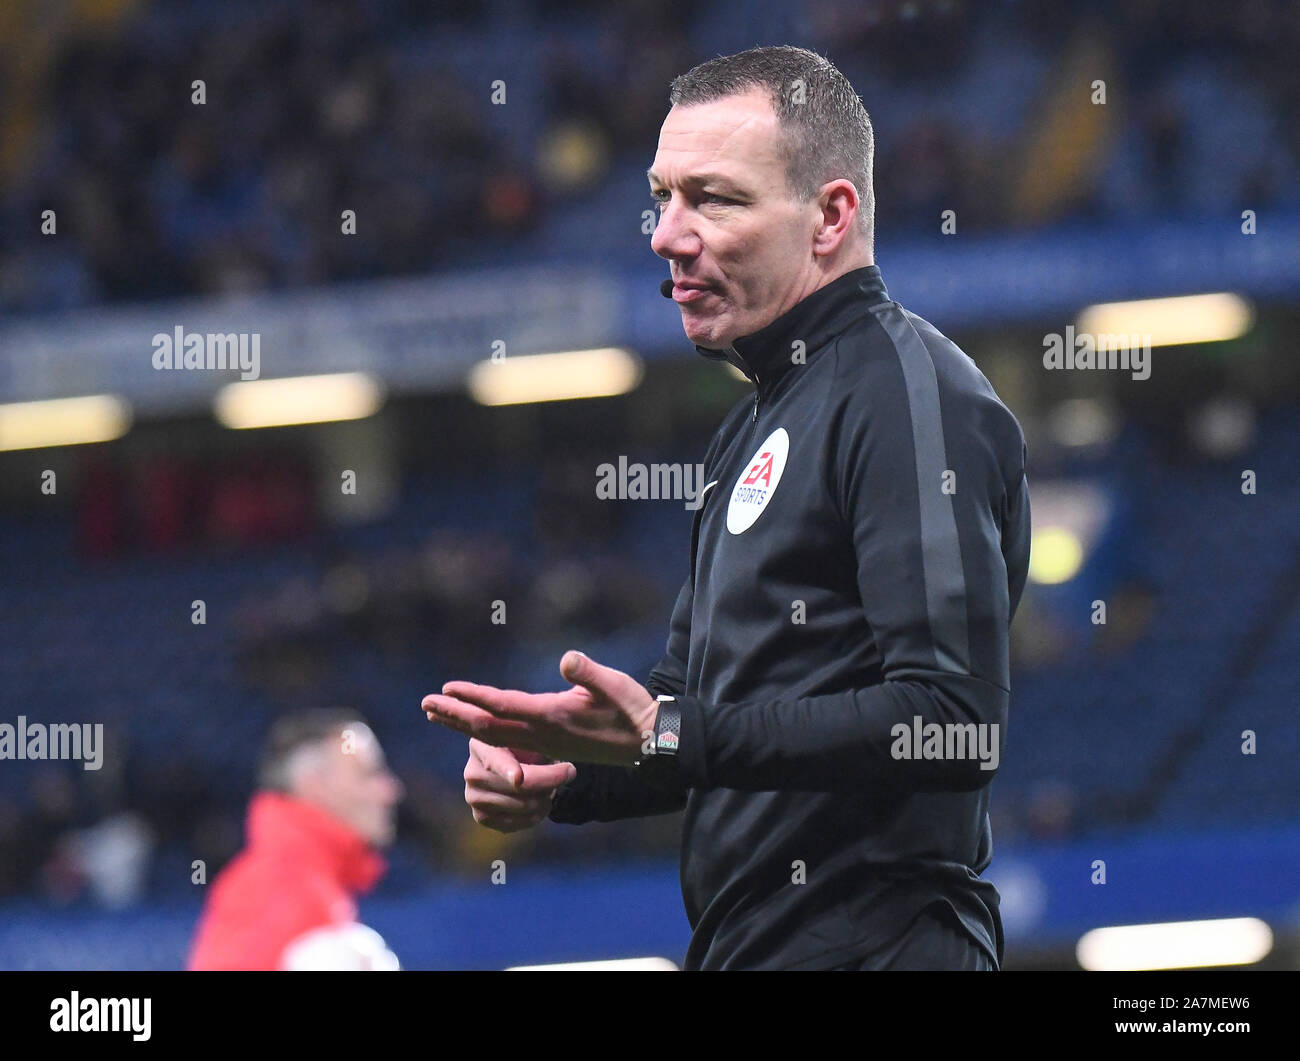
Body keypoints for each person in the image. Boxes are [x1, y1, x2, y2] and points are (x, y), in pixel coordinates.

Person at [424, 45, 1031, 971]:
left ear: (831, 214)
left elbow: (952, 719)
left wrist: (674, 731)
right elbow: (701, 714)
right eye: (662, 196)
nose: (668, 234)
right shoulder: (752, 425)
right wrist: (569, 774)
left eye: (714, 199)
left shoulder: (909, 396)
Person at [188, 710, 404, 970]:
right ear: (316, 786)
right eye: (367, 774)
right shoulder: (281, 883)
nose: (390, 790)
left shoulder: (306, 880)